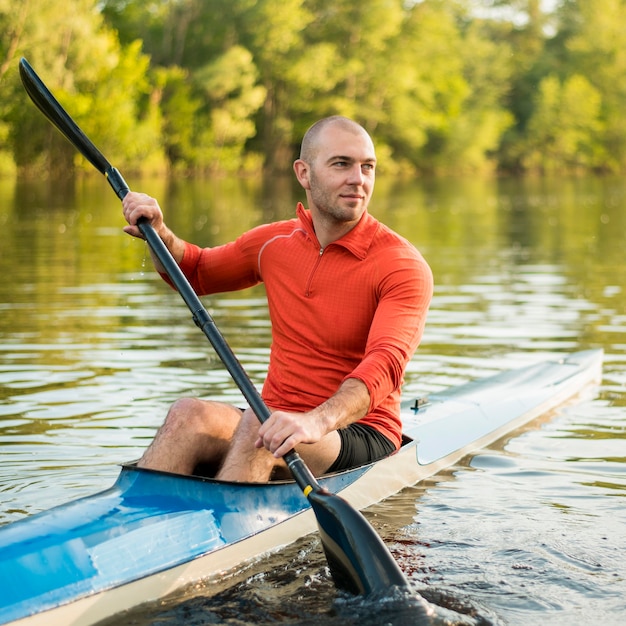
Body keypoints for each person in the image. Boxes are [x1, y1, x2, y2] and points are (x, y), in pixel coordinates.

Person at [121, 115, 433, 483]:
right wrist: (159, 232)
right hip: (274, 418)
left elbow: (384, 366)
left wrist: (316, 420)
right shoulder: (275, 242)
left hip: (356, 430)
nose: (358, 179)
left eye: (368, 167)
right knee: (187, 413)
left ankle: (227, 532)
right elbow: (195, 271)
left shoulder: (401, 265)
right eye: (341, 164)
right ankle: (133, 526)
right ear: (304, 173)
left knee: (262, 428)